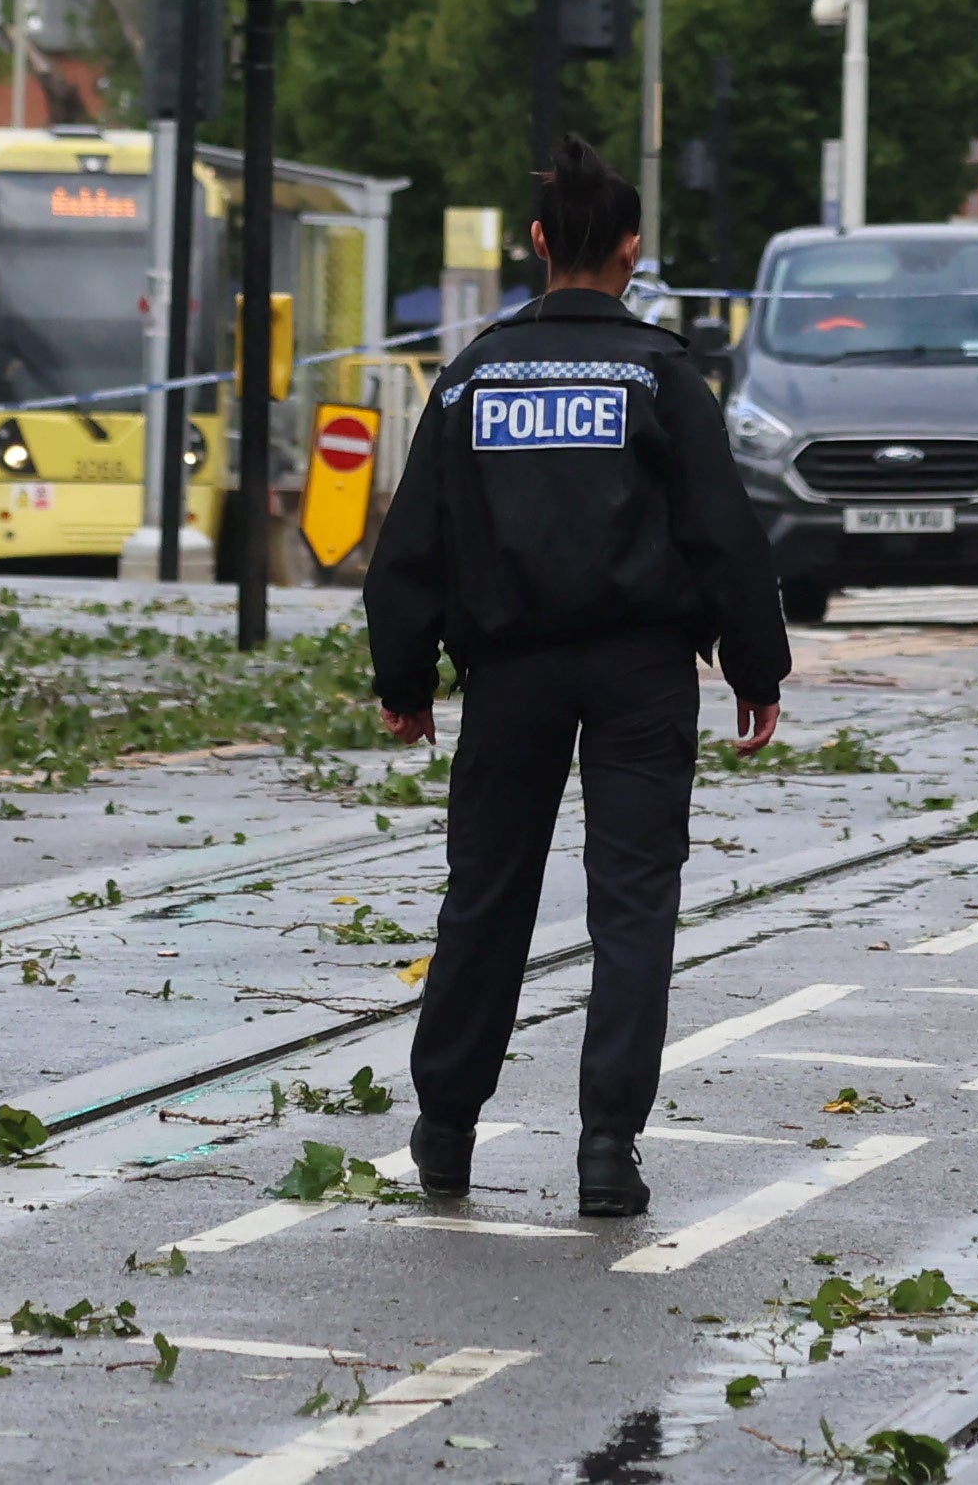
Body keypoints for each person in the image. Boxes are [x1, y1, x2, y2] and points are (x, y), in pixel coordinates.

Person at [367, 140, 785, 1221]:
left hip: (508, 674)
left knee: (487, 896)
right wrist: (755, 661)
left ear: (540, 243)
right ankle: (606, 1145)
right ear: (633, 251)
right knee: (633, 903)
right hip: (642, 671)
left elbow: (413, 541)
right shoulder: (658, 375)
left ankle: (446, 1128)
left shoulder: (471, 374)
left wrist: (404, 674)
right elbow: (722, 532)